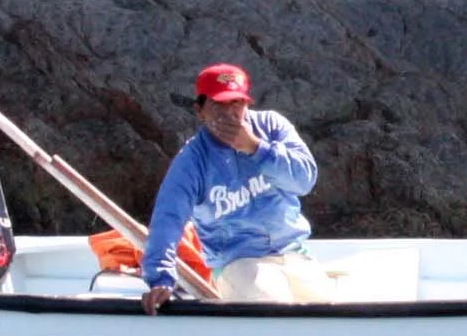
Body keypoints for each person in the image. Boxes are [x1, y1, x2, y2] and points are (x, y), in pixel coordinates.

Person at [141, 62, 330, 310]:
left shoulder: (273, 126)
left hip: (294, 252)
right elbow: (168, 218)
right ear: (200, 110)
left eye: (236, 103)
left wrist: (256, 148)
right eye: (217, 104)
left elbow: (304, 180)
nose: (228, 113)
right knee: (273, 309)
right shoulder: (192, 160)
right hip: (237, 262)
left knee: (332, 312)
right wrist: (161, 278)